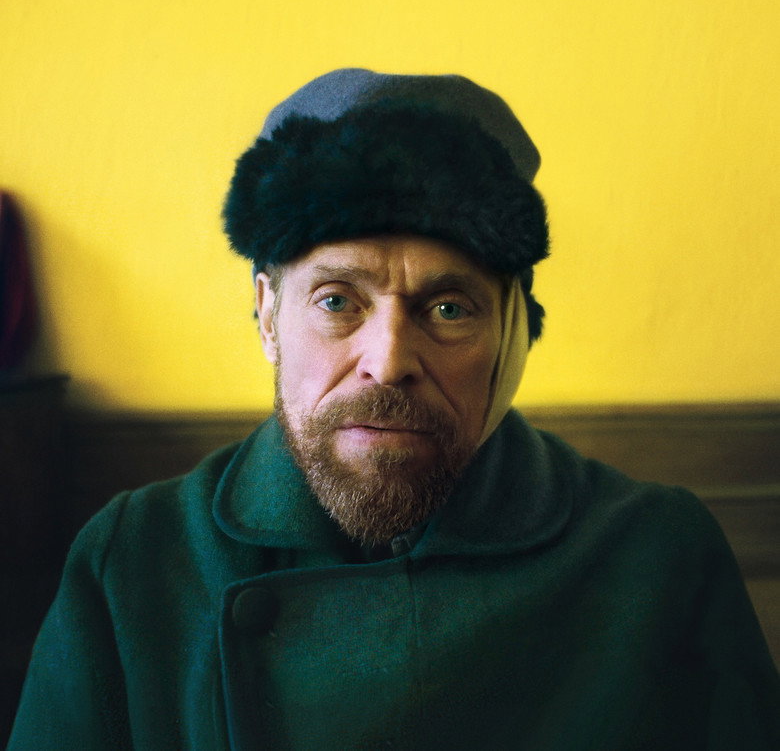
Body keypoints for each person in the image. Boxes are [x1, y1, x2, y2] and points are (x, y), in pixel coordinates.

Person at [9, 69, 780, 750]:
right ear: (268, 313)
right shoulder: (133, 564)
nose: (388, 359)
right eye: (338, 301)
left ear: (513, 331)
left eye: (448, 308)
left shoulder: (658, 559)